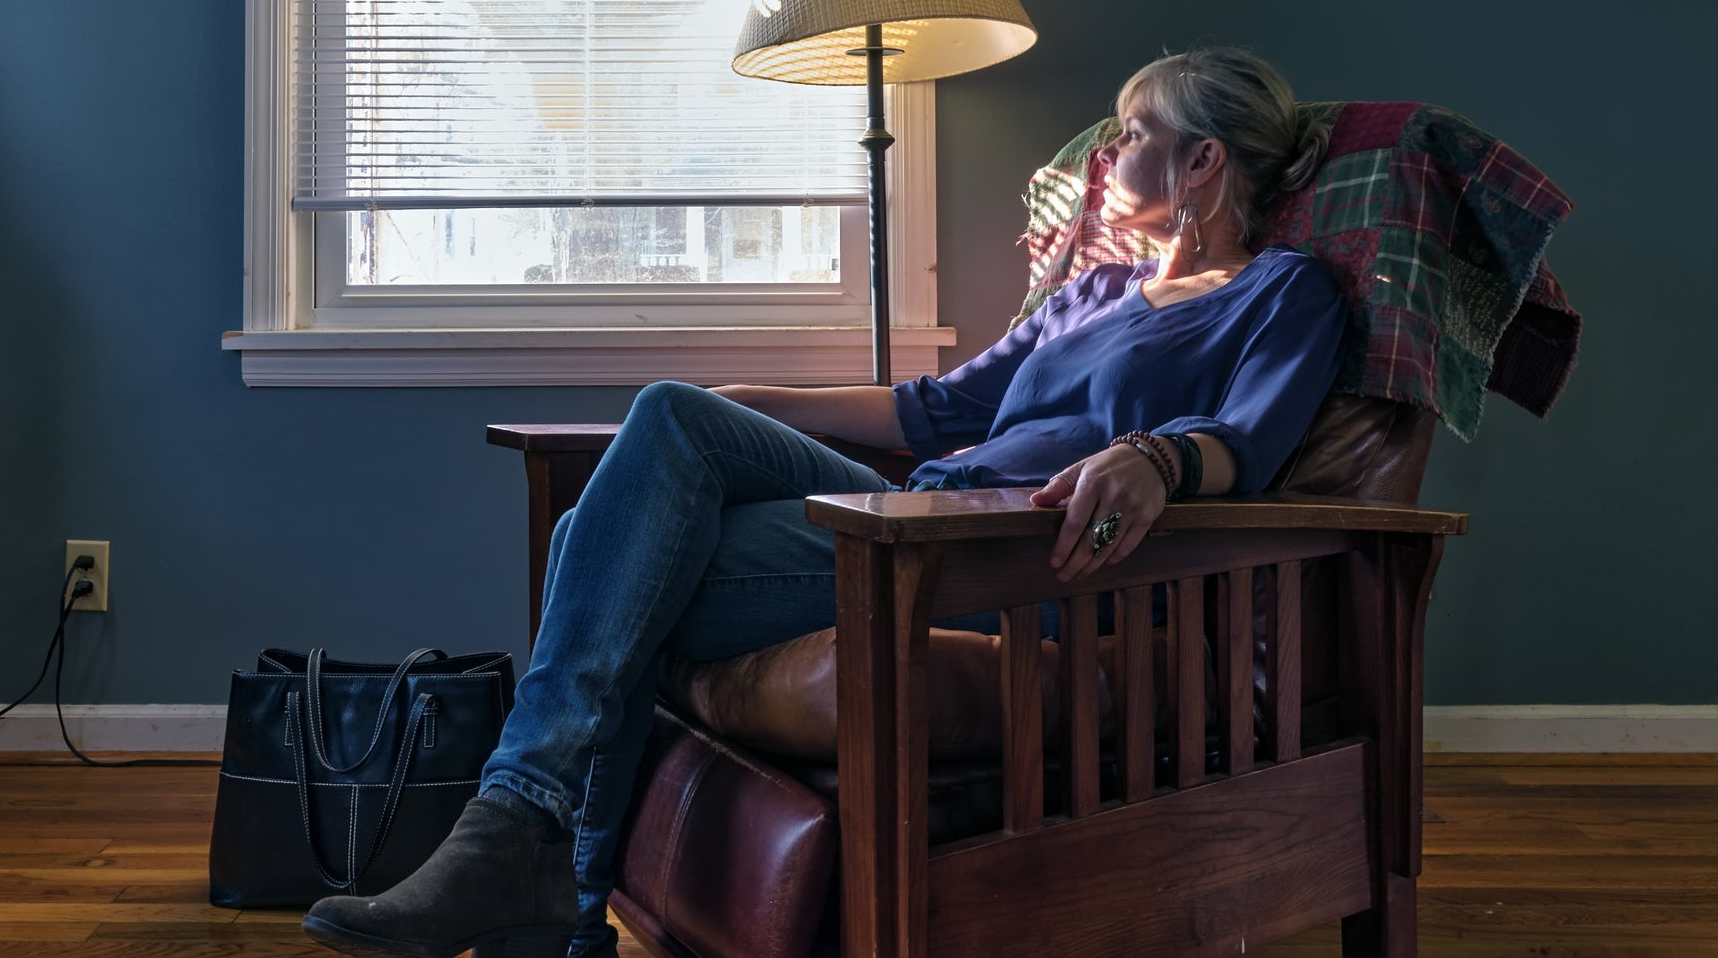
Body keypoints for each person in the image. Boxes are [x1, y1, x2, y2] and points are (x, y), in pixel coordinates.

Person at [301, 46, 1351, 958]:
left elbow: (1246, 443)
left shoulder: (1280, 292)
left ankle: (541, 879)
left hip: (1016, 557)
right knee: (654, 444)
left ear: (1202, 160)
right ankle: (539, 871)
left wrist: (1155, 462)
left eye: (1129, 135)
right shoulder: (1088, 295)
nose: (1101, 160)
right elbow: (933, 410)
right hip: (912, 516)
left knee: (599, 544)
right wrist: (733, 405)